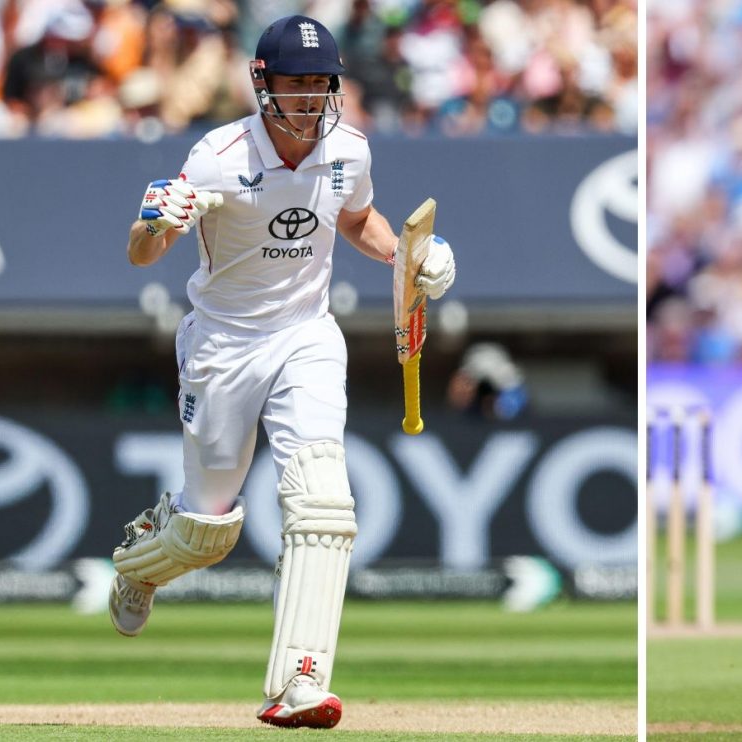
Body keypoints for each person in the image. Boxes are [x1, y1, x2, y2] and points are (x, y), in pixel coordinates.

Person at [106, 15, 456, 729]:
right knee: (207, 530)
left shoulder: (349, 150)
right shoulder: (216, 155)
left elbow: (357, 220)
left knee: (324, 501)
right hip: (222, 344)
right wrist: (153, 222)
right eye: (295, 83)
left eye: (320, 82)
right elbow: (144, 253)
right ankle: (139, 561)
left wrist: (408, 258)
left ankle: (300, 681)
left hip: (306, 335)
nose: (308, 97)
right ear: (262, 82)